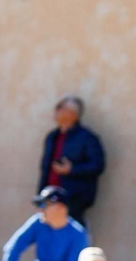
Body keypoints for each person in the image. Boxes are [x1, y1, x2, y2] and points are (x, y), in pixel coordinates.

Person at [37, 96, 106, 226]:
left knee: (71, 238)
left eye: (60, 107)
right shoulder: (52, 137)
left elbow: (97, 165)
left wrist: (72, 169)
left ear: (73, 114)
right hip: (49, 198)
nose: (56, 110)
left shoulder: (87, 138)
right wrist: (40, 196)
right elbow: (45, 168)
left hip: (74, 200)